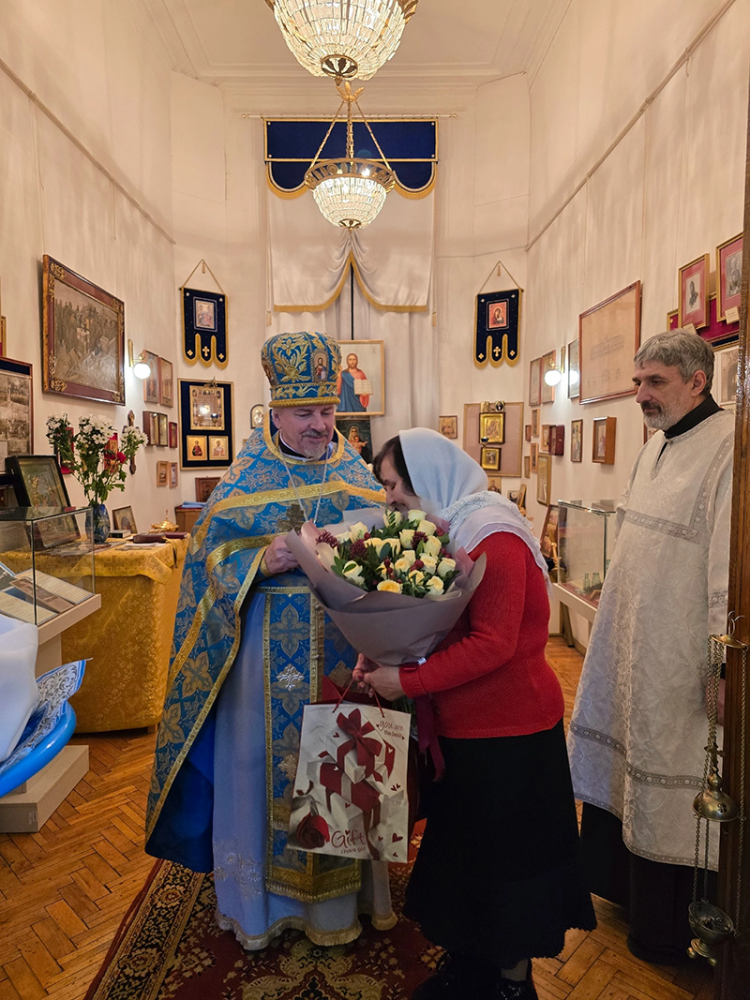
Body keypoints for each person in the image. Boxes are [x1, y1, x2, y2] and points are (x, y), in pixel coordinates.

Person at [145, 331, 395, 950]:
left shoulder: (356, 473)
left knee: (344, 767)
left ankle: (338, 908)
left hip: (342, 654)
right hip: (262, 665)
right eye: (304, 413)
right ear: (276, 412)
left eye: (327, 410)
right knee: (261, 772)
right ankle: (259, 907)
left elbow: (386, 552)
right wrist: (261, 560)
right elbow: (206, 561)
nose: (319, 425)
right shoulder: (245, 477)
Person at [355, 429, 596, 1000]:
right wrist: (383, 648)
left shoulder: (495, 536)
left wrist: (406, 680)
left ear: (426, 478)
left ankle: (512, 984)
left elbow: (493, 644)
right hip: (465, 728)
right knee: (468, 860)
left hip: (509, 734)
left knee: (507, 870)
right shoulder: (452, 527)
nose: (389, 499)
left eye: (393, 485)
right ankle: (468, 969)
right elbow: (438, 625)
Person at [567, 329, 734, 965]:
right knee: (628, 760)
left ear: (697, 381)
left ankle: (668, 927)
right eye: (638, 381)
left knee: (671, 769)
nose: (639, 394)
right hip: (633, 641)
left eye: (654, 382)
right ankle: (622, 891)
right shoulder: (656, 446)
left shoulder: (729, 448)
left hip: (680, 655)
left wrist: (721, 667)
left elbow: (726, 572)